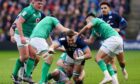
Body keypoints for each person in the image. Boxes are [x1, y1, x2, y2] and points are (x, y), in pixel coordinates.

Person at [78, 13, 127, 84]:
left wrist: (78, 34)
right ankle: (115, 82)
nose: (86, 23)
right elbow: (90, 41)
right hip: (118, 40)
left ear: (90, 19)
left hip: (112, 38)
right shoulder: (95, 30)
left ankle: (107, 76)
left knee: (97, 58)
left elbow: (87, 27)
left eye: (87, 21)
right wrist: (81, 40)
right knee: (106, 62)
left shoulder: (96, 20)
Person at [25, 15, 70, 84]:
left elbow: (51, 45)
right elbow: (63, 29)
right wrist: (76, 33)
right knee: (49, 57)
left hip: (32, 40)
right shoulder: (52, 19)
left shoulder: (45, 29)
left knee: (35, 58)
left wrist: (63, 49)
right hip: (38, 39)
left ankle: (27, 74)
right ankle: (42, 81)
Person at [10, 0, 44, 84]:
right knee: (25, 57)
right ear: (33, 2)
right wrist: (21, 36)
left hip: (30, 37)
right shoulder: (27, 10)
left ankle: (27, 76)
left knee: (34, 55)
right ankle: (14, 75)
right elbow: (18, 22)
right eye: (38, 3)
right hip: (21, 35)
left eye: (41, 4)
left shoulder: (39, 13)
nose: (40, 5)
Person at [98, 1, 128, 80]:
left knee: (122, 62)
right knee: (111, 61)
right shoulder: (99, 19)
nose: (103, 9)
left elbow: (125, 23)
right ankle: (115, 80)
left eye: (105, 8)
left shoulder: (115, 15)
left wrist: (119, 29)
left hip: (117, 40)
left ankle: (123, 68)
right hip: (107, 42)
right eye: (102, 8)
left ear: (109, 8)